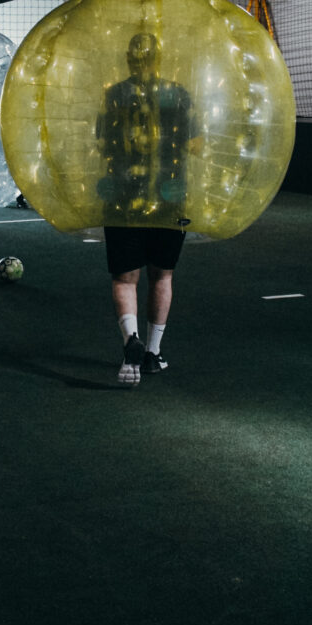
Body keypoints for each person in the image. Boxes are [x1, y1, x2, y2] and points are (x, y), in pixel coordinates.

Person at [96, 32, 199, 386]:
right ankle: (153, 353)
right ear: (159, 58)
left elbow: (101, 143)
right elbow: (196, 144)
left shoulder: (114, 94)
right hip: (170, 197)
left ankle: (130, 347)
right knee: (163, 275)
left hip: (123, 198)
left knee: (125, 279)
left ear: (129, 58)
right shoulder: (179, 94)